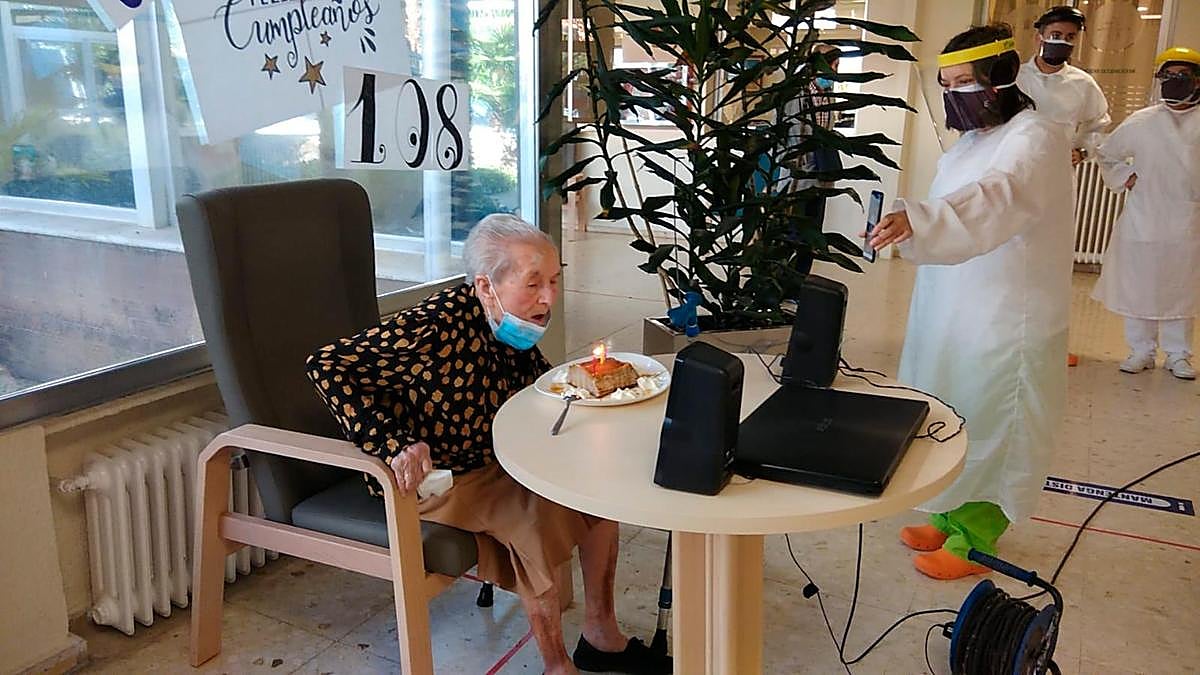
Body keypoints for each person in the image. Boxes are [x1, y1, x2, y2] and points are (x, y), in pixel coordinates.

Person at [306, 214, 671, 675]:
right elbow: (326, 365)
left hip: (501, 455)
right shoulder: (434, 325)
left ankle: (601, 635)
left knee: (597, 500)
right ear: (485, 285)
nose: (548, 298)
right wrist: (395, 443)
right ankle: (558, 667)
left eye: (554, 281)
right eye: (533, 284)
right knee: (533, 525)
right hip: (441, 476)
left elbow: (542, 385)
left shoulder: (506, 323)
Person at [867, 24, 1074, 580]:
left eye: (964, 83)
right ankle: (948, 513)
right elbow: (956, 204)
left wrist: (924, 218)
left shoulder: (1036, 136)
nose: (953, 95)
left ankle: (976, 539)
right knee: (950, 405)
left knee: (991, 416)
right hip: (953, 304)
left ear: (1000, 78)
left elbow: (1000, 195)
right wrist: (912, 220)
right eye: (947, 84)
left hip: (1007, 313)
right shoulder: (971, 143)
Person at [1091, 47, 1200, 381]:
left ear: (1198, 80)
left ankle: (1179, 355)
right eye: (1168, 75)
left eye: (1182, 76)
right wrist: (1126, 176)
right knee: (1141, 286)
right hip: (1144, 219)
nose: (1174, 81)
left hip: (1189, 222)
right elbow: (1106, 153)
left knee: (1182, 289)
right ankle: (1141, 350)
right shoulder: (1142, 121)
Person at [1016, 5, 1111, 368]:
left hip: (1057, 181)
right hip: (1015, 175)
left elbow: (1098, 123)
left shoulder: (1082, 85)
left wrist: (1082, 150)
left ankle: (1048, 343)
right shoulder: (1015, 77)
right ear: (1039, 36)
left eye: (1070, 37)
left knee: (1051, 261)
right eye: (1055, 35)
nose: (1062, 42)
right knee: (1009, 255)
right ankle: (1008, 338)